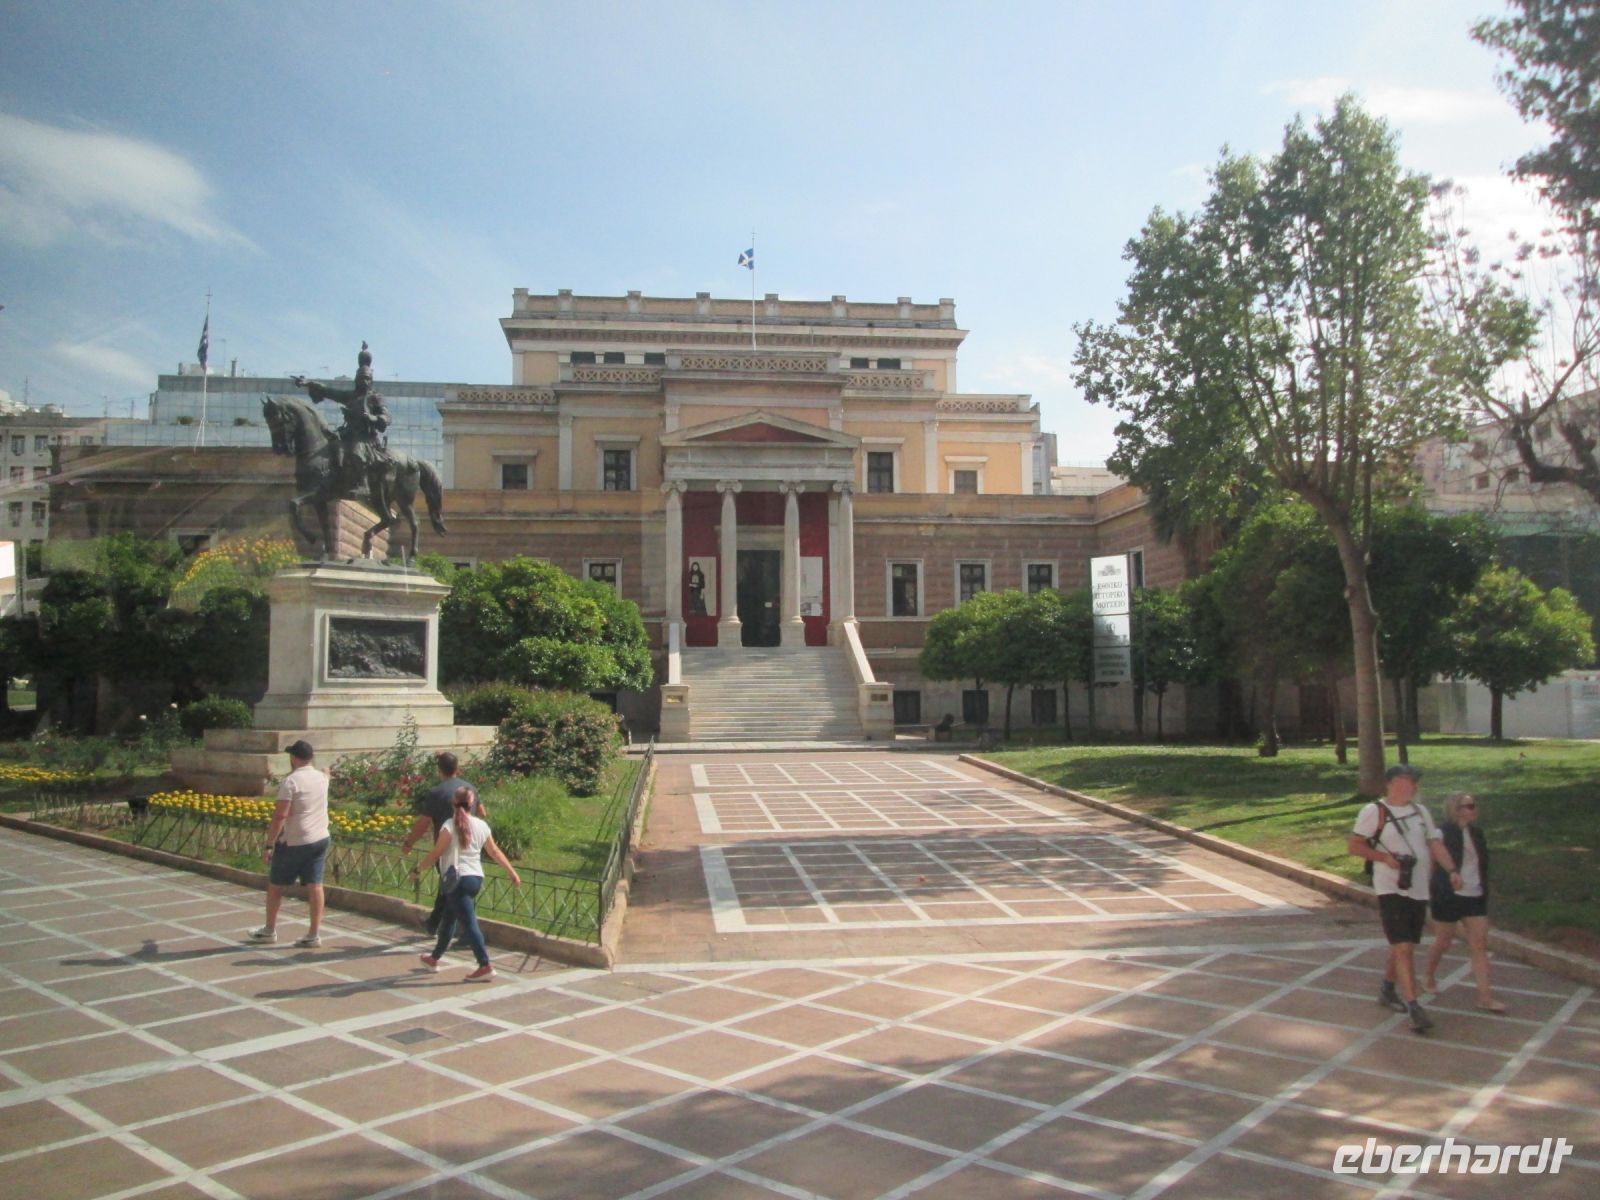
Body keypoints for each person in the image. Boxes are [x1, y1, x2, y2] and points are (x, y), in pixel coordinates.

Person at [1347, 763, 1461, 1034]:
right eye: (1406, 781)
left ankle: (1387, 988)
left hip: (1418, 887)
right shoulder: (1374, 812)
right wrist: (1384, 858)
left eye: (1414, 782)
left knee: (1404, 943)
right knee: (1403, 946)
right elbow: (1354, 846)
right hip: (1391, 888)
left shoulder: (1421, 812)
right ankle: (1414, 1006)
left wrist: (1452, 869)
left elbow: (1435, 843)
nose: (1412, 786)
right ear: (1391, 783)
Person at [410, 786, 521, 981]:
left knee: (469, 923)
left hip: (457, 880)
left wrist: (418, 870)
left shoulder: (449, 826)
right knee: (449, 919)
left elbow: (436, 853)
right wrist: (511, 872)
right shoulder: (481, 825)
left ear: (453, 803)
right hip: (474, 879)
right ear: (472, 804)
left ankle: (485, 965)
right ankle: (433, 959)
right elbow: (494, 851)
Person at [1423, 793, 1507, 1012]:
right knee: (1443, 941)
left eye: (1474, 805)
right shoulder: (1442, 833)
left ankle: (1485, 997)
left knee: (1479, 945)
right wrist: (1429, 891)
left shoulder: (1477, 833)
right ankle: (1429, 975)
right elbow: (1431, 863)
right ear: (1456, 809)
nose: (1474, 809)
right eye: (1469, 806)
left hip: (1474, 895)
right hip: (1449, 896)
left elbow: (1481, 864)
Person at [250, 739, 330, 948]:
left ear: (294, 758)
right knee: (315, 885)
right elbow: (327, 775)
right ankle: (314, 933)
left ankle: (269, 929)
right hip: (320, 837)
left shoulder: (291, 782)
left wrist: (269, 844)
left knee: (276, 885)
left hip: (295, 840)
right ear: (310, 757)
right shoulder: (321, 778)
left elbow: (280, 815)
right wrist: (327, 772)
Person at [399, 752, 485, 936]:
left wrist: (409, 843)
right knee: (452, 887)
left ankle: (458, 930)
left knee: (452, 887)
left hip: (446, 847)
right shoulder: (470, 788)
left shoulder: (436, 793)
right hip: (470, 846)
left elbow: (423, 824)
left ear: (439, 771)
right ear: (458, 769)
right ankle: (438, 924)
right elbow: (482, 813)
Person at [292, 341, 392, 489]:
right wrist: (308, 383)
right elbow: (328, 391)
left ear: (371, 381)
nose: (363, 381)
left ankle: (362, 485)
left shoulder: (375, 398)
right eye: (361, 379)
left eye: (367, 379)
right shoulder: (349, 396)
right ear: (356, 380)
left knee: (355, 452)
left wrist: (372, 418)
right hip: (347, 434)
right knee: (328, 447)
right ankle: (333, 480)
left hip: (366, 438)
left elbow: (387, 417)